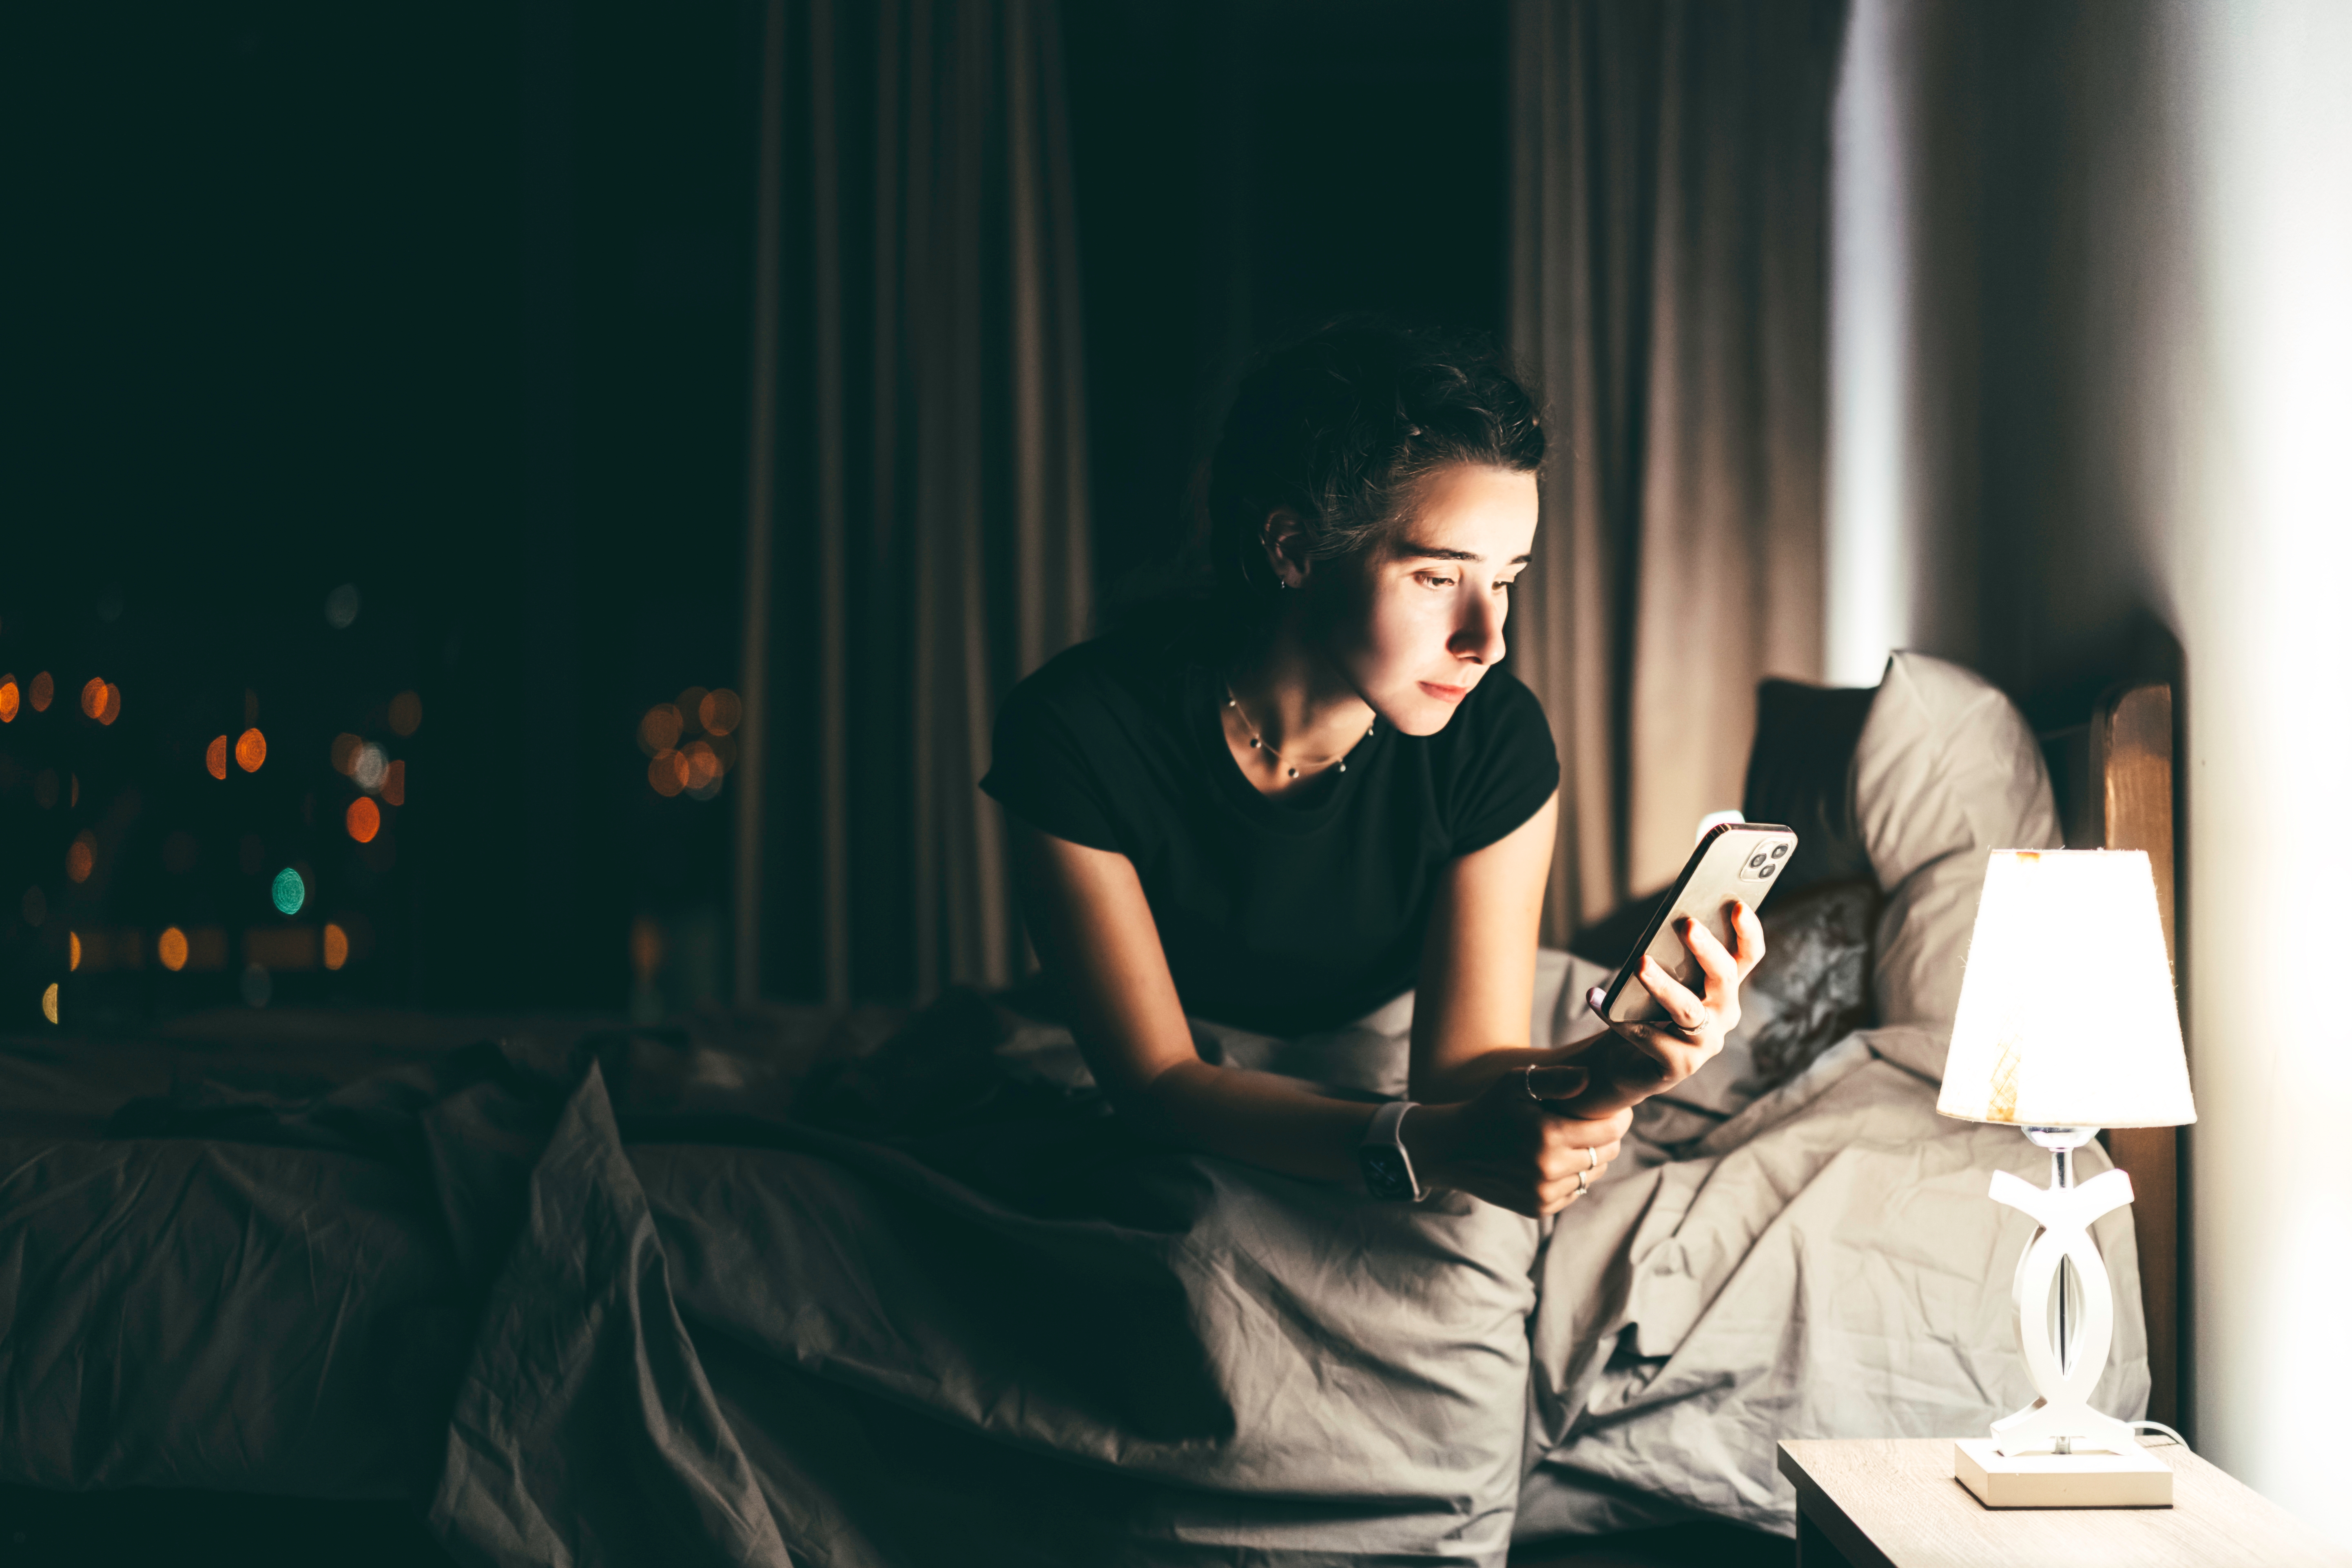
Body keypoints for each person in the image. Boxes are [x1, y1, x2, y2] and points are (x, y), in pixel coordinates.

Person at [981, 320, 1762, 1218]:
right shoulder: (1077, 731)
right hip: (1193, 1093)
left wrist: (1622, 1066)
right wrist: (1428, 1146)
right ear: (1294, 549)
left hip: (1385, 1056)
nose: (1489, 642)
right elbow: (1158, 1083)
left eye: (1506, 580)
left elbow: (1461, 1071)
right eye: (1438, 578)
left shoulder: (1495, 737)